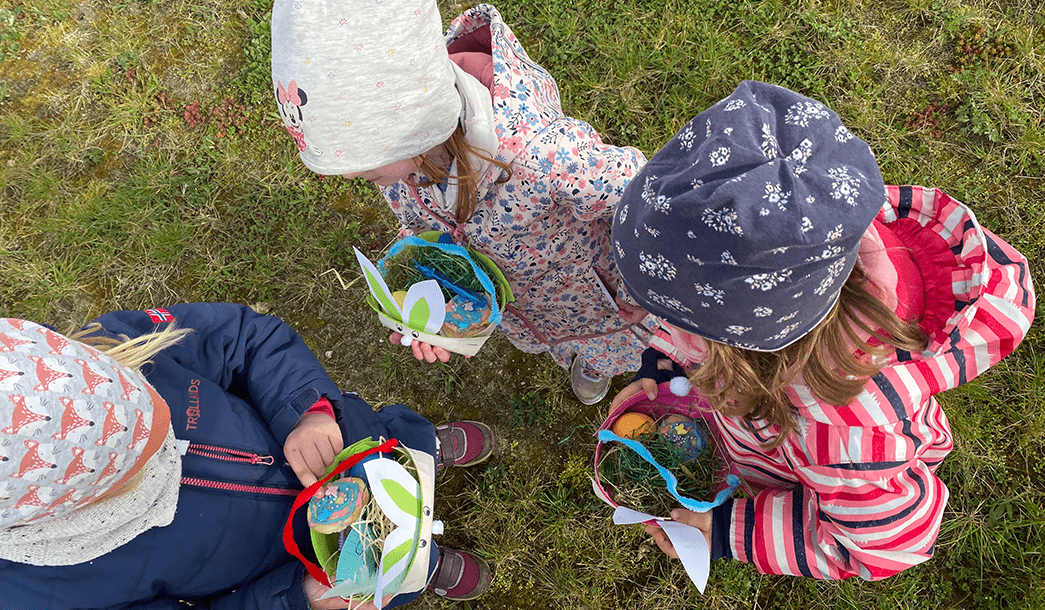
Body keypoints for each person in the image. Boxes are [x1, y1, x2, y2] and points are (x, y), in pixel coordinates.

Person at [608, 81, 1035, 580]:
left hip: (801, 460)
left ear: (741, 346)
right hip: (762, 399)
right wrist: (664, 366)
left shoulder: (847, 441)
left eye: (671, 316)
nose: (639, 316)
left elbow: (883, 547)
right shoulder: (814, 240)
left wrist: (724, 529)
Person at [270, 0, 652, 405]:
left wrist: (649, 289)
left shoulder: (542, 157)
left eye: (362, 162)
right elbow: (428, 228)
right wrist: (437, 301)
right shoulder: (400, 166)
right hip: (528, 303)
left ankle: (598, 364)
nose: (351, 177)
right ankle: (580, 355)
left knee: (608, 344)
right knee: (550, 339)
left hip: (600, 297)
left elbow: (645, 200)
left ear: (416, 122)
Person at [0, 303, 496, 609]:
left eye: (142, 392)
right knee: (378, 567)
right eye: (149, 456)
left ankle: (418, 444)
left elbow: (245, 338)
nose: (167, 430)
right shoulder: (37, 590)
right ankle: (414, 568)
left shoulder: (107, 349)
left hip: (334, 442)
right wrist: (295, 602)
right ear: (80, 501)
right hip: (281, 565)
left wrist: (309, 411)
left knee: (384, 448)